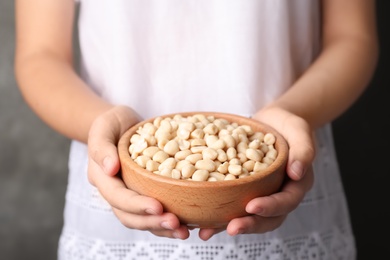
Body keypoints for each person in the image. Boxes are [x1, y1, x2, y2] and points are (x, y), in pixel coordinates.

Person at [14, 0, 378, 259]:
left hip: (286, 182)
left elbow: (352, 36)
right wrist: (102, 129)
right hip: (116, 190)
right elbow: (40, 55)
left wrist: (291, 112)